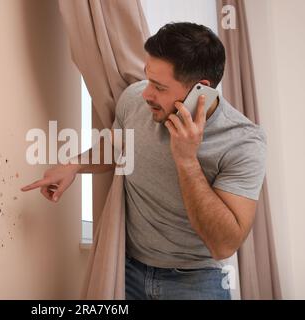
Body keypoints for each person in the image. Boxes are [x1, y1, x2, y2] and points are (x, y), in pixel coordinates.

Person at [21, 22, 267, 300]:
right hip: (127, 270)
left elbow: (224, 244)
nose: (146, 93)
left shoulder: (244, 142)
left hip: (194, 281)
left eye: (159, 87)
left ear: (202, 89)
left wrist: (186, 160)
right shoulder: (135, 99)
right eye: (149, 79)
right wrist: (75, 165)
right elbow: (117, 148)